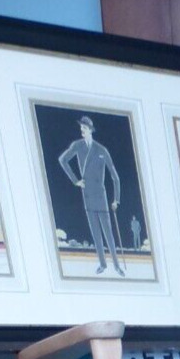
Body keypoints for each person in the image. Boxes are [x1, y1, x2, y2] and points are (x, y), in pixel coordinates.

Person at [57, 114, 124, 276]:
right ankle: (103, 264)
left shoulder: (102, 150)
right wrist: (75, 181)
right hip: (87, 196)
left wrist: (116, 199)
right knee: (96, 235)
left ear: (91, 130)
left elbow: (115, 177)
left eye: (85, 128)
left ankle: (116, 265)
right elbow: (62, 160)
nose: (82, 130)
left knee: (109, 235)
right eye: (81, 127)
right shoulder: (77, 145)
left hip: (101, 197)